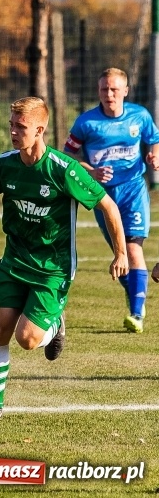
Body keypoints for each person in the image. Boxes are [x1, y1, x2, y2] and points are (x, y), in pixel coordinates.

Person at [0, 97, 128, 423]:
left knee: (27, 339)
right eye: (11, 125)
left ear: (40, 130)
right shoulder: (5, 164)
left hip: (52, 268)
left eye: (21, 127)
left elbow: (108, 206)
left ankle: (55, 324)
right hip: (14, 261)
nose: (13, 132)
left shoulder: (64, 169)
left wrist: (121, 252)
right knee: (0, 328)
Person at [63, 68, 159, 334]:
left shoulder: (139, 116)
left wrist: (154, 156)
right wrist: (90, 171)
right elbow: (67, 156)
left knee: (133, 248)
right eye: (104, 89)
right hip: (102, 196)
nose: (109, 94)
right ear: (99, 91)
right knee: (121, 255)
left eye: (114, 89)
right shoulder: (86, 123)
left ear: (125, 91)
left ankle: (137, 314)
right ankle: (136, 295)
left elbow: (155, 140)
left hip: (134, 189)